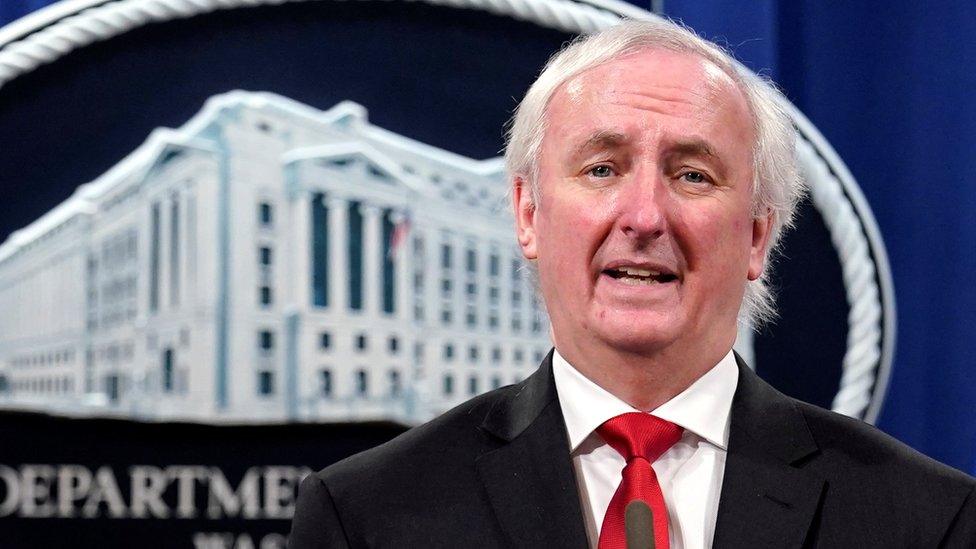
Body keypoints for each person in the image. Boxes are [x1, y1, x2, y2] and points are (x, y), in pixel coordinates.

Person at [288, 19, 976, 549]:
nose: (645, 217)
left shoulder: (928, 520)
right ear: (529, 214)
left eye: (693, 174)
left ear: (758, 236)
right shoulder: (365, 518)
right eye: (602, 169)